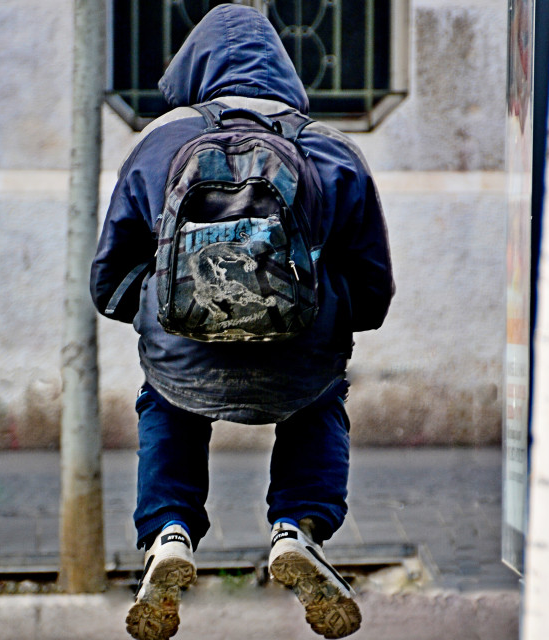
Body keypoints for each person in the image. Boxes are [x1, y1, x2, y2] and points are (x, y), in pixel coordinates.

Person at [91, 4, 394, 639]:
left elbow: (109, 281)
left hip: (183, 359)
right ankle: (298, 526)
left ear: (194, 68)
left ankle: (169, 533)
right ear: (284, 71)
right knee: (322, 400)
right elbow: (372, 289)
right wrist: (332, 324)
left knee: (166, 402)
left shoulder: (159, 149)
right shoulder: (331, 151)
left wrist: (156, 313)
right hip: (299, 361)